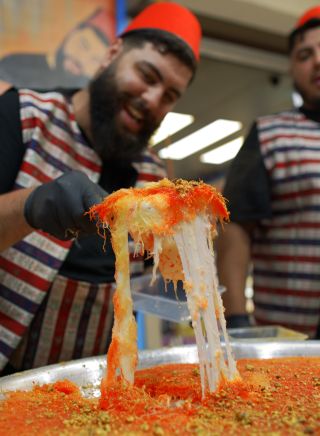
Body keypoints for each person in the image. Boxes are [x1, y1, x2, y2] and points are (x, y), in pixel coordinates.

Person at [0, 2, 202, 374]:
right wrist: (30, 205)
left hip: (90, 388)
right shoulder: (25, 116)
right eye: (147, 75)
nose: (152, 100)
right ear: (110, 54)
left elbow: (151, 280)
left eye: (170, 95)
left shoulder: (151, 175)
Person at [216, 5, 320, 339]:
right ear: (292, 67)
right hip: (291, 338)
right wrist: (235, 319)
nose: (317, 60)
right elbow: (235, 225)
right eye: (305, 54)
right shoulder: (270, 134)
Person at [0, 7, 115, 89]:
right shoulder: (13, 65)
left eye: (95, 59)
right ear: (72, 32)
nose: (81, 59)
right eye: (83, 45)